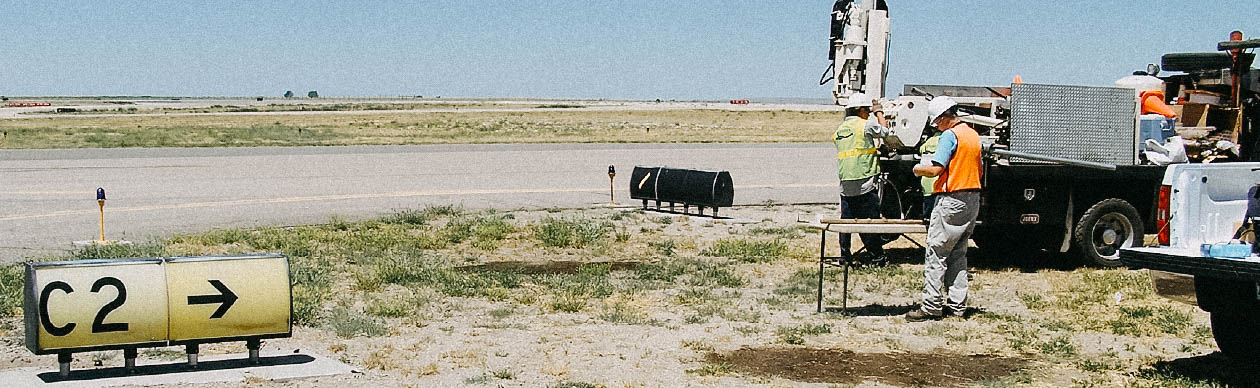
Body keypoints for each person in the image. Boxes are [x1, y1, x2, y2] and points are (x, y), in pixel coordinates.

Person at [906, 96, 983, 321]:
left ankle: (931, 306)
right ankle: (958, 306)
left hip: (951, 198)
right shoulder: (972, 134)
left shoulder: (950, 136)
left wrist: (917, 169)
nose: (937, 127)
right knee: (958, 254)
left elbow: (935, 169)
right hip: (972, 198)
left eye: (937, 122)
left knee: (936, 252)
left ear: (943, 117)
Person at [833, 93, 892, 266]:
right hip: (864, 181)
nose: (868, 113)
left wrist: (874, 152)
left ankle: (845, 256)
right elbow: (885, 131)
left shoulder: (840, 130)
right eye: (867, 110)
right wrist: (879, 112)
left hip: (846, 182)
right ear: (861, 110)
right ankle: (877, 257)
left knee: (847, 222)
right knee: (869, 221)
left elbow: (855, 149)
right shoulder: (865, 125)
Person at [918, 129, 942, 220]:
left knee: (928, 207)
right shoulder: (944, 140)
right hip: (938, 180)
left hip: (926, 180)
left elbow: (921, 150)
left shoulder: (928, 142)